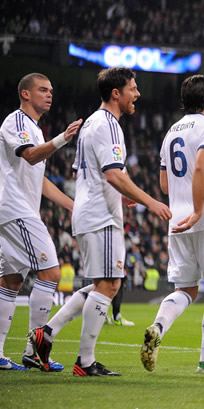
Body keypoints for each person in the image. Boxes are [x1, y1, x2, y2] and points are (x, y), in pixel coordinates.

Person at [28, 67, 172, 376]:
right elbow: (112, 174)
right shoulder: (108, 125)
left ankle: (46, 333)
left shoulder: (94, 123)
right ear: (116, 93)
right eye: (133, 88)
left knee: (102, 284)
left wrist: (123, 194)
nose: (138, 94)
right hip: (100, 216)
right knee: (109, 285)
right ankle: (85, 361)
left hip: (91, 211)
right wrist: (150, 201)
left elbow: (88, 173)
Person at [140, 74, 204, 375]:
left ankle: (159, 326)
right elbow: (200, 164)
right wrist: (198, 207)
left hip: (177, 220)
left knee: (186, 289)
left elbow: (166, 184)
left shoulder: (170, 133)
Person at [0, 72, 82, 371]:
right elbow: (32, 157)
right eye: (43, 90)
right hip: (16, 209)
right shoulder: (17, 122)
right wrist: (62, 138)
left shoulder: (33, 128)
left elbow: (40, 179)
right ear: (25, 94)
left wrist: (73, 205)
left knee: (11, 281)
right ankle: (35, 350)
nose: (50, 94)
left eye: (51, 90)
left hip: (18, 211)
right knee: (50, 272)